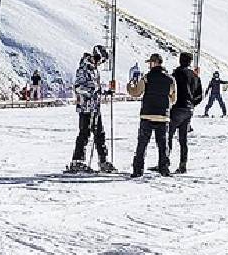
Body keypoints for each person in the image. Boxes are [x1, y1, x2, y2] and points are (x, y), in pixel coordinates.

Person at [126, 53, 177, 177]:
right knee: (162, 144)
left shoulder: (146, 78)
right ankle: (164, 169)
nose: (149, 65)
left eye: (150, 63)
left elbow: (136, 92)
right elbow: (173, 98)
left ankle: (138, 170)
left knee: (142, 144)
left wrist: (130, 86)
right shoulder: (170, 79)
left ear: (154, 63)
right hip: (163, 116)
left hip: (147, 115)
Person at [67, 45, 115, 173]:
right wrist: (94, 91)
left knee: (100, 133)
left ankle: (103, 160)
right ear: (97, 57)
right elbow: (78, 88)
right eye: (101, 60)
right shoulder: (83, 69)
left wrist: (106, 92)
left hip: (95, 107)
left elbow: (96, 88)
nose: (101, 63)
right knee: (85, 133)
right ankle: (77, 160)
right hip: (85, 107)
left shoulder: (94, 70)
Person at [167, 53, 204, 173]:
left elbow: (170, 90)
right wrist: (192, 104)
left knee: (168, 136)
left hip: (177, 107)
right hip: (189, 109)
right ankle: (183, 165)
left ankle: (164, 162)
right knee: (183, 139)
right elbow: (200, 95)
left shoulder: (176, 74)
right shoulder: (195, 76)